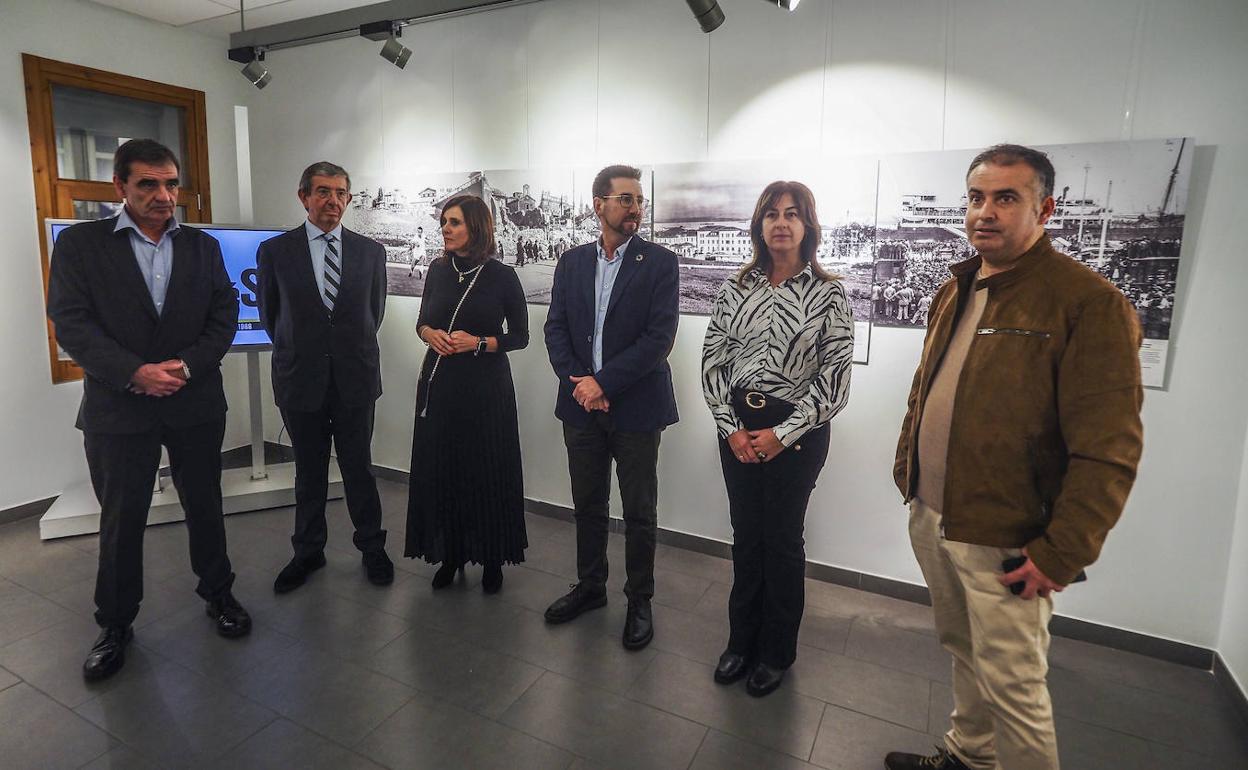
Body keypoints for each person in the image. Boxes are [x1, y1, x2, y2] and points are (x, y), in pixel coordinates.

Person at [886, 144, 1144, 770]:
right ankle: (970, 754)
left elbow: (1109, 449)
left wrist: (1062, 552)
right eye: (977, 198)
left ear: (1045, 209)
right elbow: (929, 391)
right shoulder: (959, 285)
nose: (986, 213)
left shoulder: (1086, 302)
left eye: (1006, 198)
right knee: (962, 647)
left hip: (1006, 535)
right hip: (936, 513)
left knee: (1015, 686)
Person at [46, 138, 252, 682]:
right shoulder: (81, 245)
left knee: (206, 505)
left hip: (195, 402)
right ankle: (114, 623)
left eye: (170, 184)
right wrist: (135, 373)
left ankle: (219, 594)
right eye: (148, 184)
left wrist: (185, 367)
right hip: (120, 408)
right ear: (120, 186)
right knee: (121, 521)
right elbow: (70, 322)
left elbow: (223, 316)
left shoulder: (202, 247)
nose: (164, 196)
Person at [701, 181, 853, 697]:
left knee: (782, 541)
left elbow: (834, 384)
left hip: (800, 433)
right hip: (739, 429)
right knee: (746, 536)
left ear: (808, 226)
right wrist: (732, 429)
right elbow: (712, 363)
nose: (781, 223)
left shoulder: (829, 294)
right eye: (771, 214)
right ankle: (739, 642)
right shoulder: (734, 289)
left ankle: (775, 652)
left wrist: (782, 435)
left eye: (792, 214)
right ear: (759, 225)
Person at [543, 164, 679, 650]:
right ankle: (591, 586)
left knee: (640, 511)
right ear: (599, 204)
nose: (636, 209)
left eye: (639, 200)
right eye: (626, 199)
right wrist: (578, 383)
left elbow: (658, 339)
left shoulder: (660, 263)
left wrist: (602, 383)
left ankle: (639, 600)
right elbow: (555, 328)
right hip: (581, 407)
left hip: (636, 407)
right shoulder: (572, 262)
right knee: (588, 504)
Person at [257, 161, 394, 594]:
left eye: (340, 193)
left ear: (349, 200)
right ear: (304, 197)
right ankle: (307, 551)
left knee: (359, 469)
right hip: (301, 381)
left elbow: (375, 313)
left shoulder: (371, 252)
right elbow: (270, 316)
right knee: (308, 472)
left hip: (355, 379)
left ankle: (372, 547)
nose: (332, 201)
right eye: (322, 191)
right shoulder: (276, 252)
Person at [407, 195, 529, 592]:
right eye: (444, 221)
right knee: (447, 469)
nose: (445, 228)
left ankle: (492, 557)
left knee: (486, 470)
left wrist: (478, 343)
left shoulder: (502, 276)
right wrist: (430, 334)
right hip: (440, 388)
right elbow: (423, 321)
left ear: (476, 227)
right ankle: (451, 551)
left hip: (486, 390)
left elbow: (521, 337)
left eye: (454, 222)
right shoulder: (437, 271)